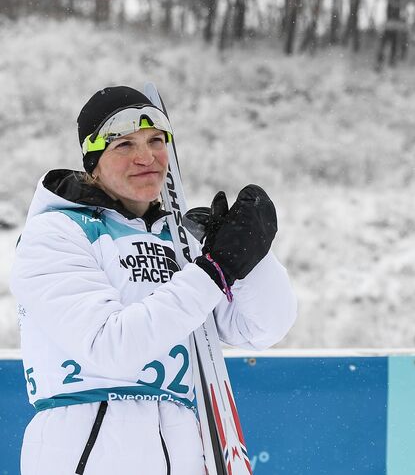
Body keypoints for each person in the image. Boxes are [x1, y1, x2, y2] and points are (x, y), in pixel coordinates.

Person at [10, 85, 297, 475]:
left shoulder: (179, 242)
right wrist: (215, 271)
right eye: (124, 144)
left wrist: (251, 256)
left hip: (179, 441)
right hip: (87, 443)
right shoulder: (55, 233)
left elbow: (262, 328)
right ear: (93, 160)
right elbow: (111, 344)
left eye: (156, 141)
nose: (146, 157)